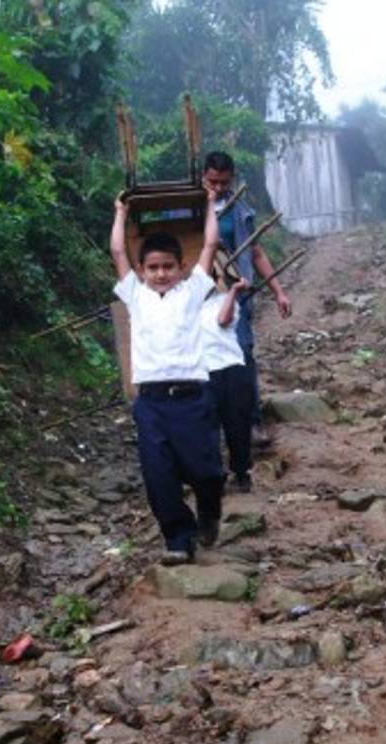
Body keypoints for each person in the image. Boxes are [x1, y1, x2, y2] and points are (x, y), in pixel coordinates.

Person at [110, 187, 223, 565]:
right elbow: (118, 252)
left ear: (180, 268)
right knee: (159, 475)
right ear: (142, 271)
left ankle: (210, 510)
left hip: (192, 398)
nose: (160, 274)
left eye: (168, 267)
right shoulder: (136, 296)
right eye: (153, 267)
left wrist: (209, 205)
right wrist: (120, 214)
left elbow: (209, 245)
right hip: (152, 402)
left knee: (206, 472)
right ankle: (178, 538)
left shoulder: (192, 292)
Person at [202, 151, 292, 446]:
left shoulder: (238, 210)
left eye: (224, 182)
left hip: (235, 292)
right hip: (198, 296)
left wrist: (278, 291)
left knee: (241, 353)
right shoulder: (184, 207)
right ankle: (208, 427)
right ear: (203, 175)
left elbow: (255, 252)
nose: (217, 188)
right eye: (212, 181)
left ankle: (251, 422)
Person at [202, 278, 255, 493]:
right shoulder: (185, 304)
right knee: (207, 428)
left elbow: (223, 320)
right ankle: (216, 476)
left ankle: (241, 472)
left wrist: (233, 290)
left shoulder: (226, 300)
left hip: (231, 368)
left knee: (237, 425)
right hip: (202, 372)